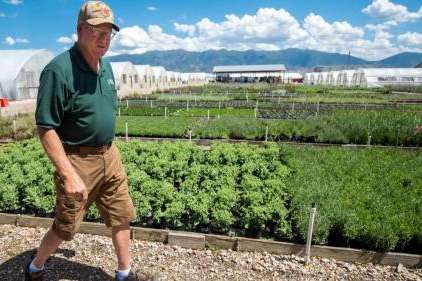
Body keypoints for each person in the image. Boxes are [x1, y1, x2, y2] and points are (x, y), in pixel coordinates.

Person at [27, 1, 158, 280]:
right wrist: (68, 174)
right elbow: (46, 127)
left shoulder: (107, 68)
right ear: (79, 30)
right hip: (77, 160)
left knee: (121, 214)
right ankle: (35, 266)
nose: (104, 39)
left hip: (109, 155)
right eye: (97, 31)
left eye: (109, 33)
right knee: (66, 226)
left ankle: (125, 273)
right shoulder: (59, 70)